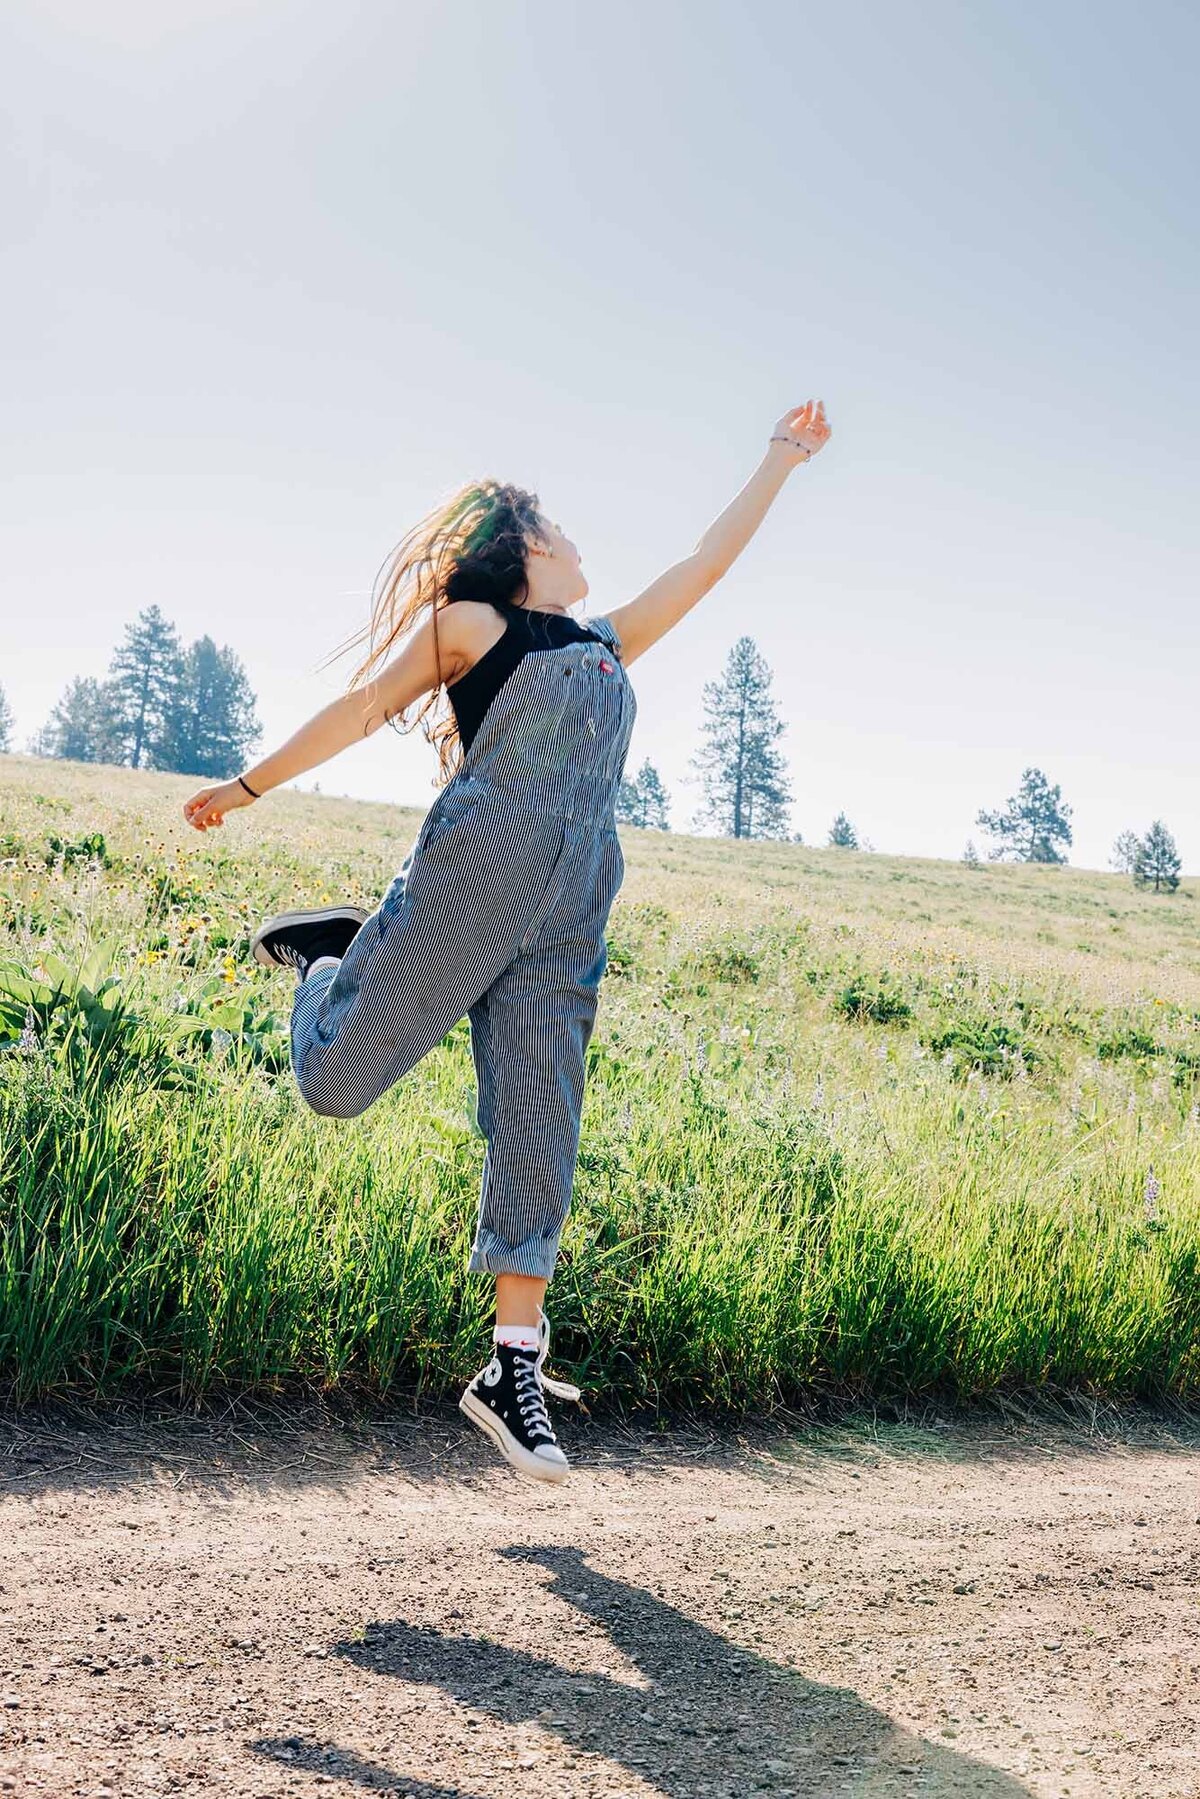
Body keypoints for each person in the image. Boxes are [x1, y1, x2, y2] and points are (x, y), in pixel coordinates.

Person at [181, 399, 832, 1483]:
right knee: (335, 1085)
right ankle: (330, 960)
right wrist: (247, 787)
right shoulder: (473, 624)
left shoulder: (608, 642)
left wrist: (780, 458)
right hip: (473, 884)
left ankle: (511, 1368)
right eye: (567, 533)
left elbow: (706, 563)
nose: (584, 547)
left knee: (539, 1124)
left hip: (573, 906)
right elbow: (359, 709)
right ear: (528, 547)